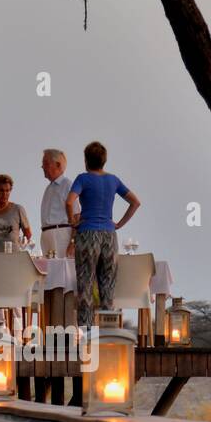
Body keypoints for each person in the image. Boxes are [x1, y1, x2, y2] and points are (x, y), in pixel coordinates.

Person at [66, 140, 140, 329]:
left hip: (87, 234)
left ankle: (86, 331)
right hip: (108, 234)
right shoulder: (113, 180)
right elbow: (135, 202)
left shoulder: (82, 179)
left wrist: (73, 221)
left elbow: (69, 202)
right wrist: (119, 224)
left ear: (86, 160)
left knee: (86, 284)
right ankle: (109, 332)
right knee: (107, 285)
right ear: (104, 161)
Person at [0, 174, 33, 252]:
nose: (4, 194)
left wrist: (21, 246)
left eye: (7, 190)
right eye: (1, 190)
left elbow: (28, 234)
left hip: (13, 256)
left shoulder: (18, 209)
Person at [39, 148, 73, 257]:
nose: (42, 167)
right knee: (49, 272)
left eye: (45, 163)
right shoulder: (49, 188)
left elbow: (77, 216)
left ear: (58, 165)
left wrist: (73, 242)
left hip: (61, 236)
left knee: (62, 270)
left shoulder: (67, 185)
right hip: (47, 235)